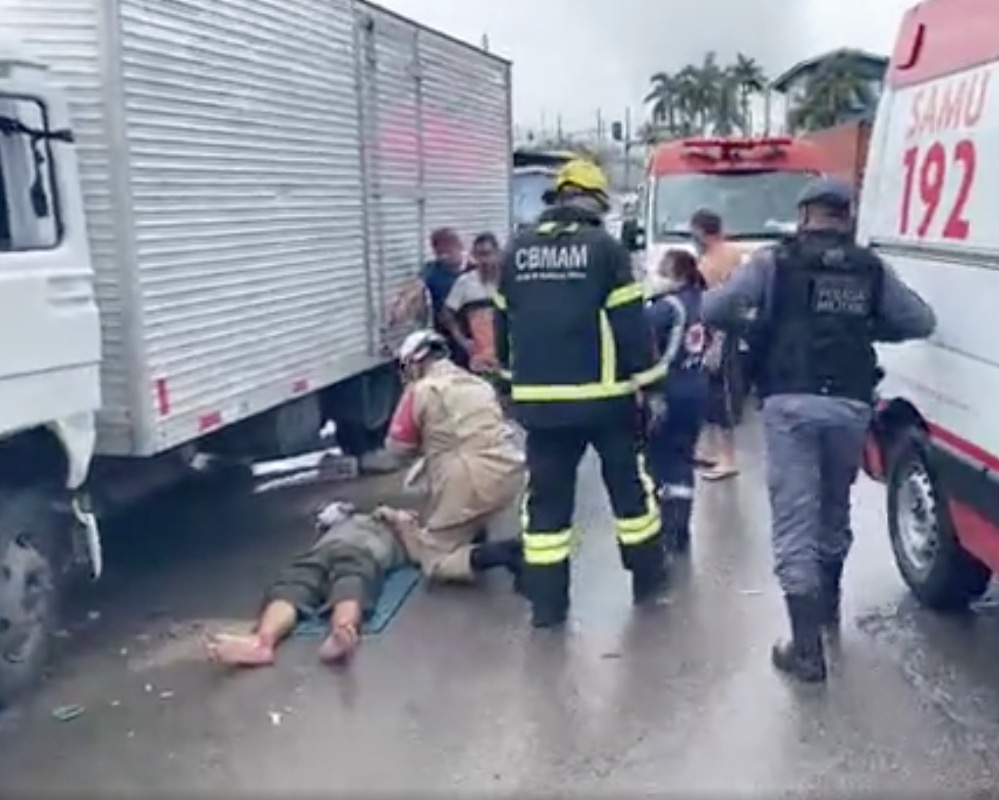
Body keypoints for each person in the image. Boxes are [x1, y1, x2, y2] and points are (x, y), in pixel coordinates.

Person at [702, 177, 936, 683]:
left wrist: (761, 321)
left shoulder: (774, 261)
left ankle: (806, 650)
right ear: (845, 216)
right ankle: (826, 612)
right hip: (850, 406)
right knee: (833, 510)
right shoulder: (869, 267)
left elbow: (714, 309)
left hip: (789, 403)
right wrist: (869, 325)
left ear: (805, 215)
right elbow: (919, 321)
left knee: (794, 522)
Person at [494, 158, 668, 628]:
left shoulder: (517, 252)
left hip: (541, 408)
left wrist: (509, 386)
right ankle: (648, 580)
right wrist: (652, 387)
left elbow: (502, 326)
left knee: (546, 502)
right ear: (593, 201)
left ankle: (548, 605)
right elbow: (631, 327)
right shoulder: (606, 251)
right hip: (604, 402)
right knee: (629, 494)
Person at [205, 504, 425, 667]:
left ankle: (343, 631)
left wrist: (402, 521)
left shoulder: (403, 535)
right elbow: (327, 516)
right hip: (321, 552)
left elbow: (420, 557)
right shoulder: (351, 518)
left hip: (363, 553)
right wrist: (348, 510)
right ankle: (262, 642)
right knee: (292, 583)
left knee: (351, 579)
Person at [385, 329, 525, 582]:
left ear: (415, 362)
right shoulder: (478, 384)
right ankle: (476, 536)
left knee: (435, 562)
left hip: (469, 482)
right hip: (508, 473)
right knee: (470, 506)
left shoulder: (421, 390)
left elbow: (397, 449)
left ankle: (505, 553)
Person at [644, 249, 710, 555]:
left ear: (678, 274)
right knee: (683, 458)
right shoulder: (702, 301)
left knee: (660, 460)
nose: (656, 275)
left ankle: (665, 529)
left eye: (662, 270)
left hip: (667, 392)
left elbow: (641, 343)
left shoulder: (666, 307)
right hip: (696, 388)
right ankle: (680, 529)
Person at [691, 208, 743, 480]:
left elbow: (706, 302)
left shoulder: (710, 263)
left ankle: (727, 459)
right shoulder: (735, 254)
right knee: (714, 398)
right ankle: (717, 455)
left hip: (719, 335)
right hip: (730, 333)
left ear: (701, 232)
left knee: (720, 397)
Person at [388, 228, 471, 369]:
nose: (444, 256)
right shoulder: (433, 270)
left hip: (475, 333)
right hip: (447, 337)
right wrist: (401, 306)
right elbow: (415, 287)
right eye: (439, 253)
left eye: (448, 251)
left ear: (459, 247)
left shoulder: (473, 268)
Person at [443, 232, 502, 375]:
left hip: (503, 355)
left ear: (498, 254)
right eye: (479, 255)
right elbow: (446, 314)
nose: (485, 260)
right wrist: (462, 340)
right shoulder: (465, 282)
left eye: (488, 254)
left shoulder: (507, 281)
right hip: (476, 358)